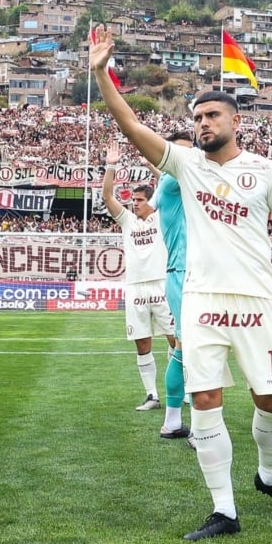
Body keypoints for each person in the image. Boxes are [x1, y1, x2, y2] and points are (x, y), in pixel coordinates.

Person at [90, 26, 272, 541]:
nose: (203, 123)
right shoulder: (185, 165)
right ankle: (225, 511)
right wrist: (102, 74)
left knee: (271, 402)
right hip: (201, 302)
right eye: (196, 118)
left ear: (235, 121)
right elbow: (128, 124)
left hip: (258, 301)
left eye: (212, 115)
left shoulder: (266, 171)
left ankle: (268, 477)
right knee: (207, 400)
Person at [100, 142, 174, 413]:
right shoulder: (128, 221)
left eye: (140, 200)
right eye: (133, 200)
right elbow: (108, 196)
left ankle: (180, 388)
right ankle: (152, 395)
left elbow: (166, 183)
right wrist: (111, 165)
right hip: (135, 288)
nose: (135, 204)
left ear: (151, 202)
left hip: (162, 285)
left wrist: (150, 165)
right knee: (142, 343)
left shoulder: (163, 217)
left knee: (175, 340)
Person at [151, 130, 195, 442]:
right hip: (183, 273)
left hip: (196, 272)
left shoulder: (180, 183)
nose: (188, 158)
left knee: (193, 348)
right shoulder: (171, 182)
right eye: (180, 152)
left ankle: (176, 422)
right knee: (186, 347)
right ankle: (184, 424)